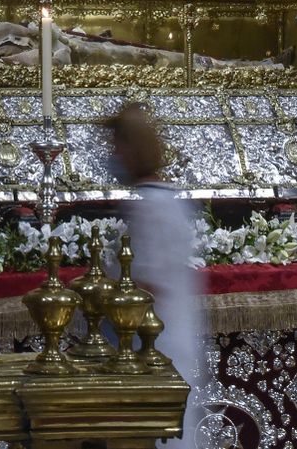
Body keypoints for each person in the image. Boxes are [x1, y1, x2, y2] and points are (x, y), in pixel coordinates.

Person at [110, 101, 208, 449]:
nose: (114, 155)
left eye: (118, 146)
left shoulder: (151, 205)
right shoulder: (164, 199)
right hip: (170, 338)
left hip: (155, 345)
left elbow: (142, 288)